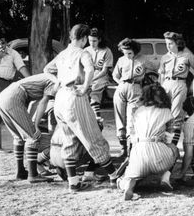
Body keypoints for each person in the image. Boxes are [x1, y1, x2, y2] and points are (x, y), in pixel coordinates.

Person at [44, 24, 116, 192]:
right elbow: (90, 70)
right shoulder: (82, 53)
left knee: (69, 139)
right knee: (93, 136)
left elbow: (46, 69)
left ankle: (73, 182)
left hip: (60, 98)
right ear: (84, 38)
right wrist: (84, 87)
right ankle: (114, 176)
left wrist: (57, 82)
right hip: (74, 96)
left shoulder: (62, 54)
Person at [116, 84, 179, 200]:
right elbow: (169, 137)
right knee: (174, 150)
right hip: (160, 155)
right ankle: (165, 178)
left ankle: (128, 184)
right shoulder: (167, 112)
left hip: (139, 151)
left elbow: (131, 135)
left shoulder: (137, 111)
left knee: (131, 175)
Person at [0, 73, 58, 183]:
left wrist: (30, 122)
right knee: (32, 137)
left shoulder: (43, 77)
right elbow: (43, 102)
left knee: (19, 137)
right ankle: (33, 175)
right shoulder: (54, 81)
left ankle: (20, 172)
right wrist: (35, 125)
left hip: (3, 97)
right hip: (14, 97)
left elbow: (33, 103)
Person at [112, 38, 152, 158]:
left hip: (136, 88)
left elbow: (153, 73)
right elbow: (115, 75)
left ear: (135, 51)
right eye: (125, 53)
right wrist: (120, 83)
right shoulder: (121, 60)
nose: (127, 56)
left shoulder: (143, 60)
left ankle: (131, 148)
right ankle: (122, 147)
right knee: (119, 118)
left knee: (132, 118)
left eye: (129, 53)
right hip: (122, 88)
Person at [159, 32, 194, 145]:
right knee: (165, 115)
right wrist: (160, 89)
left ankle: (172, 145)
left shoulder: (187, 55)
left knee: (176, 116)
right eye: (166, 44)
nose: (168, 46)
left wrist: (193, 84)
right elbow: (161, 75)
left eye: (170, 43)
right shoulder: (165, 57)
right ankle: (164, 144)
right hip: (166, 84)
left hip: (180, 84)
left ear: (178, 43)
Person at [84, 28, 113, 128]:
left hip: (100, 77)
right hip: (87, 76)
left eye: (94, 41)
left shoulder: (106, 51)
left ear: (99, 39)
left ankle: (97, 118)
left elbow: (104, 71)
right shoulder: (86, 51)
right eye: (90, 40)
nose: (92, 43)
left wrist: (92, 79)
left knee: (94, 90)